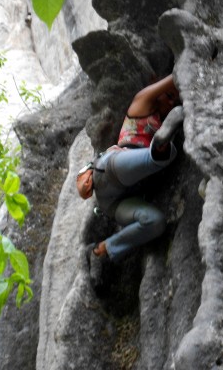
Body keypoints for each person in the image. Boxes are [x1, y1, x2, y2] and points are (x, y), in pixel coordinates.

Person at [76, 74, 184, 286]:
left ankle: (102, 250)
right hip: (113, 167)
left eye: (175, 101)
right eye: (169, 97)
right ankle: (160, 147)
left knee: (155, 222)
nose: (170, 102)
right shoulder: (141, 103)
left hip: (114, 203)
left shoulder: (162, 117)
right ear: (158, 94)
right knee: (163, 155)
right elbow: (176, 76)